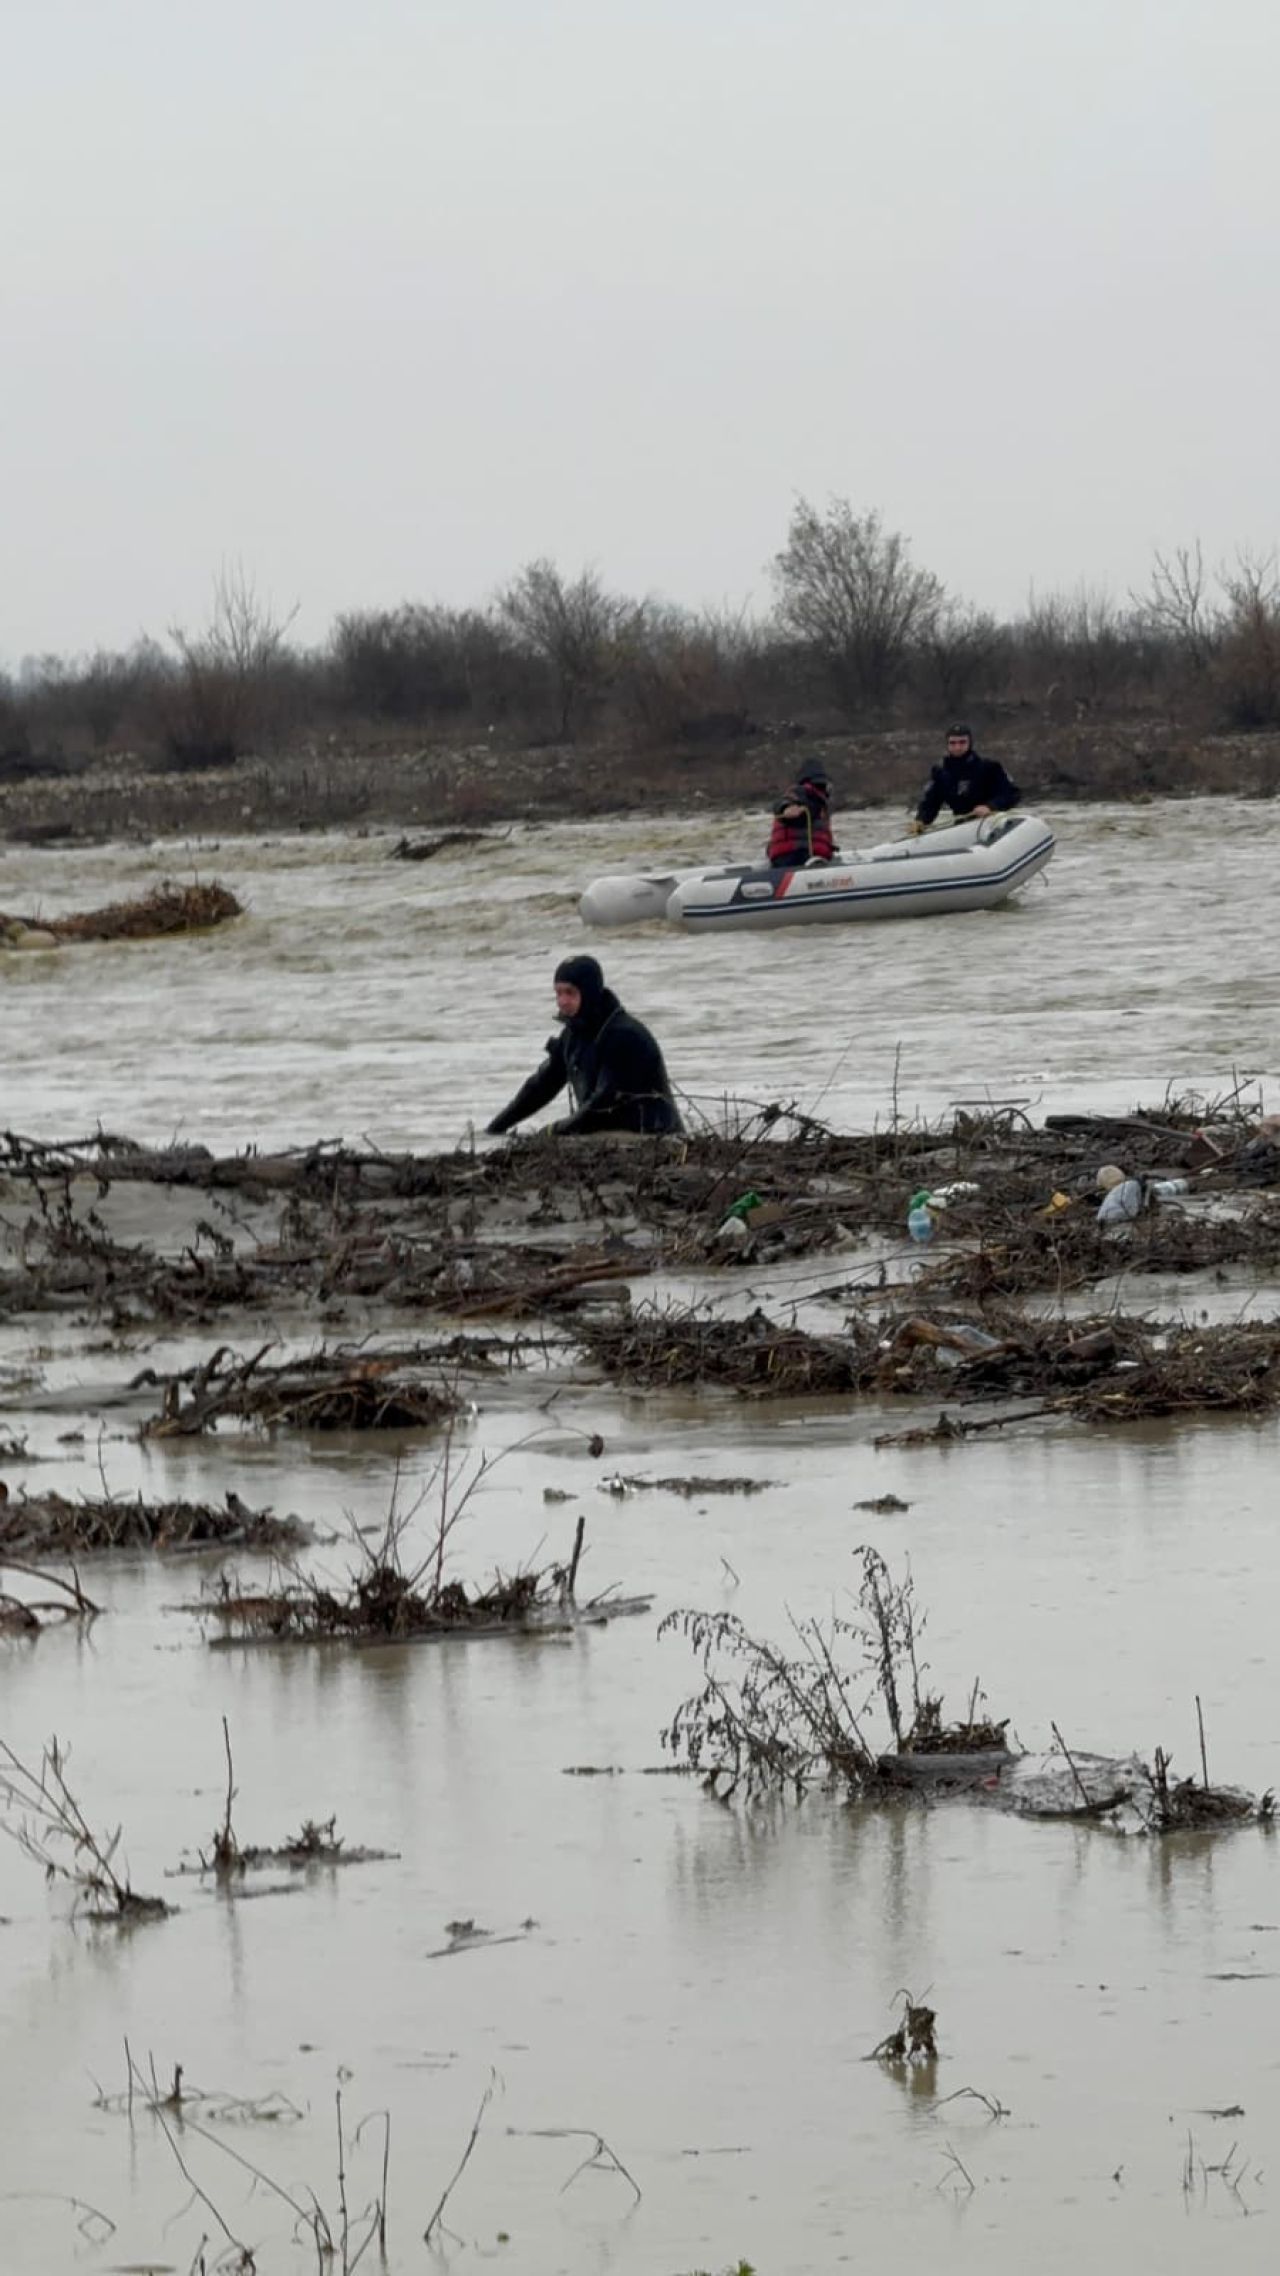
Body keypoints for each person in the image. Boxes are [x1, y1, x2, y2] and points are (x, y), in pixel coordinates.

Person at [485, 955, 682, 1138]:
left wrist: (552, 1131)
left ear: (588, 993)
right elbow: (540, 1087)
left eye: (570, 993)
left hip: (654, 1138)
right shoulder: (573, 1034)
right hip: (605, 1135)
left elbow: (602, 1105)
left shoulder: (624, 1036)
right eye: (558, 993)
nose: (562, 1002)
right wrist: (495, 1129)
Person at [910, 725, 1020, 833]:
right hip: (962, 828)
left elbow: (1012, 794)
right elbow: (930, 803)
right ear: (947, 745)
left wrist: (990, 806)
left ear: (970, 743)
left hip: (991, 823)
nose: (957, 747)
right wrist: (920, 820)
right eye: (952, 743)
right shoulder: (941, 772)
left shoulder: (989, 767)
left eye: (962, 742)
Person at [766, 766, 835, 868]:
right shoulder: (802, 792)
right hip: (796, 855)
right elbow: (783, 802)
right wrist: (786, 808)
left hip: (790, 855)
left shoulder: (819, 800)